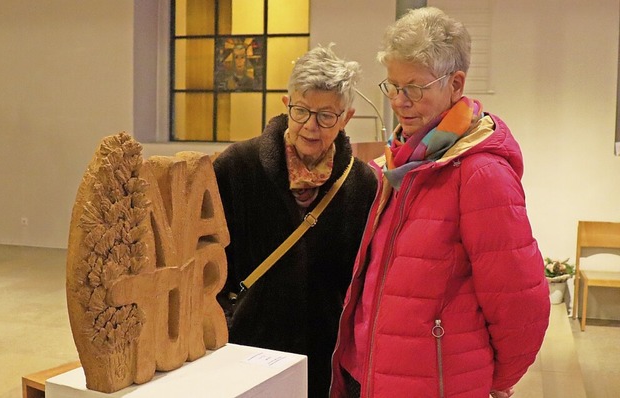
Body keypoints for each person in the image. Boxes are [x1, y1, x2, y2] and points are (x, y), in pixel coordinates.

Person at [329, 7, 550, 398]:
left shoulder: (480, 174)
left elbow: (521, 306)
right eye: (393, 86)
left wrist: (489, 381)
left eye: (414, 87)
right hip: (371, 374)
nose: (399, 101)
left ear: (456, 83)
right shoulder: (400, 161)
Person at [213, 44, 378, 397]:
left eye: (326, 116)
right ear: (286, 104)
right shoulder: (237, 167)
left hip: (327, 356)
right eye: (301, 111)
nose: (310, 126)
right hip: (247, 350)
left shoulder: (362, 184)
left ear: (346, 118)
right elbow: (207, 262)